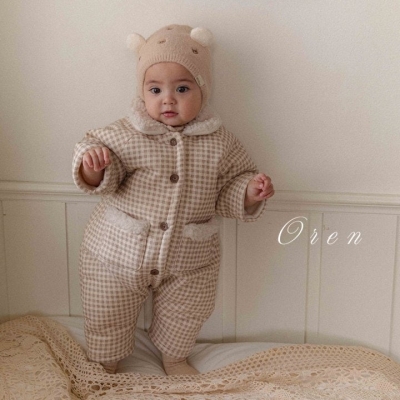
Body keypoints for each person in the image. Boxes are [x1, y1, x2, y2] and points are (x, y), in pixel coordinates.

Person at [72, 24, 274, 375]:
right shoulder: (127, 132)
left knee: (187, 310)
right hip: (118, 251)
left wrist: (248, 191)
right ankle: (106, 359)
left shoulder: (220, 142)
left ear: (203, 90)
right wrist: (93, 167)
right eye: (155, 89)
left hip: (189, 255)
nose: (168, 99)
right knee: (107, 307)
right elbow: (99, 164)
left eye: (182, 88)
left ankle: (175, 357)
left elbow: (230, 185)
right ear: (142, 92)